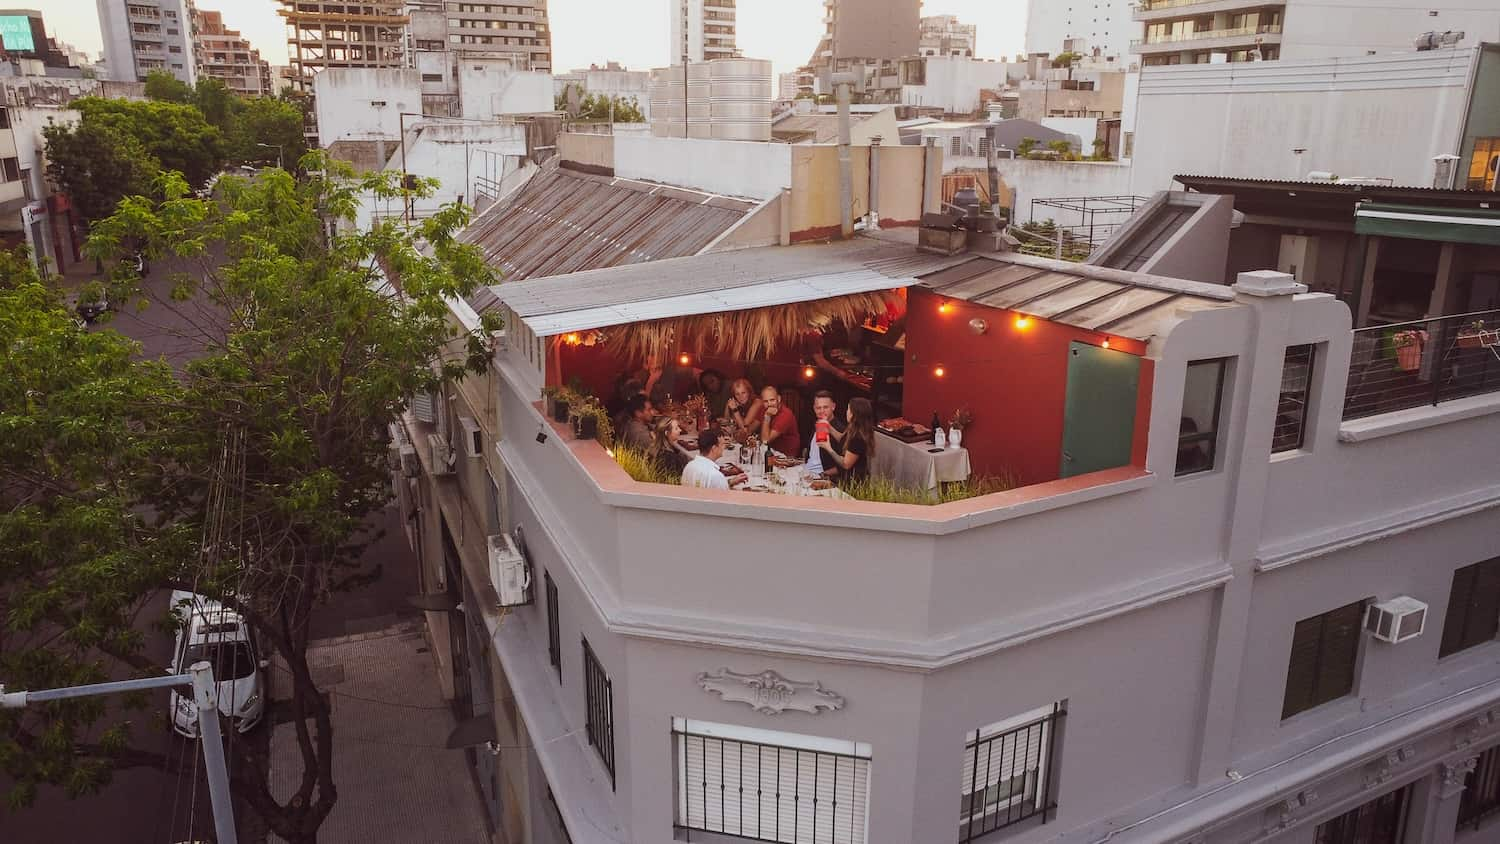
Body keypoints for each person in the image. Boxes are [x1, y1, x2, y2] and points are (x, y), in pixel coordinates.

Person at [820, 397, 874, 486]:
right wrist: (829, 428)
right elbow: (842, 439)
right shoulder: (852, 429)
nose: (846, 412)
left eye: (848, 409)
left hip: (854, 482)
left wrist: (828, 447)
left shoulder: (858, 437)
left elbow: (846, 464)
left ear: (854, 414)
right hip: (845, 478)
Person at [805, 390, 847, 476]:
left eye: (825, 407)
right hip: (806, 470)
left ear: (833, 407)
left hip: (823, 477)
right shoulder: (816, 424)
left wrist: (823, 475)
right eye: (818, 408)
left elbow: (845, 464)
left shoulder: (840, 430)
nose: (822, 411)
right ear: (814, 408)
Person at [759, 385, 802, 458]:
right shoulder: (764, 409)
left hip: (786, 456)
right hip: (771, 452)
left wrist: (767, 417)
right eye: (766, 401)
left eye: (772, 400)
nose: (769, 404)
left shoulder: (785, 415)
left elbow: (765, 440)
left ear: (778, 399)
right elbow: (750, 429)